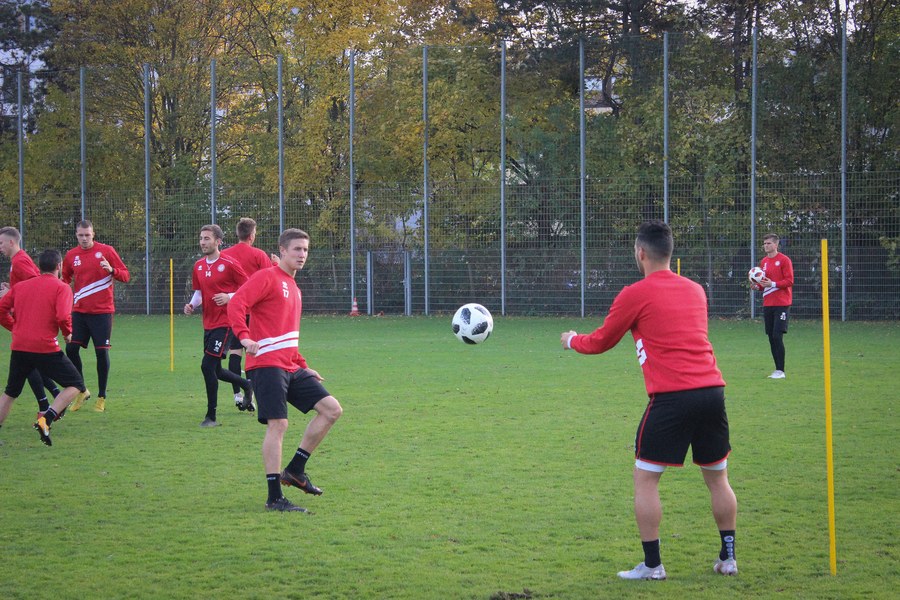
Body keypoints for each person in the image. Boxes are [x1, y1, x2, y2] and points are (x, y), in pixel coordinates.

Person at [560, 220, 738, 580]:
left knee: (645, 480)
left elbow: (602, 341)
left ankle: (653, 566)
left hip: (672, 399)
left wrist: (571, 340)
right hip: (712, 393)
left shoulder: (635, 293)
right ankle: (728, 558)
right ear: (670, 252)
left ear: (640, 253)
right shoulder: (696, 290)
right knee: (718, 479)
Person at [227, 228, 343, 512]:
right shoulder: (266, 277)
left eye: (305, 250)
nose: (302, 255)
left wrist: (303, 366)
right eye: (297, 249)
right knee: (278, 424)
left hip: (289, 365)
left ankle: (295, 470)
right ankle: (274, 497)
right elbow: (237, 303)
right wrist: (244, 337)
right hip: (266, 365)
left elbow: (287, 336)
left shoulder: (295, 288)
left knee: (331, 410)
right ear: (282, 250)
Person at [0, 249, 88, 446]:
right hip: (44, 347)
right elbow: (63, 316)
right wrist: (67, 333)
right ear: (59, 266)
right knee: (76, 384)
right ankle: (46, 419)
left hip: (20, 346)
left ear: (39, 266)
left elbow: (1, 309)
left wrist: (15, 328)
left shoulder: (21, 286)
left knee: (11, 392)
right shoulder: (62, 288)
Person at [184, 224, 254, 427]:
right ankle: (246, 384)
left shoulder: (229, 264)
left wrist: (229, 296)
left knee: (206, 366)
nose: (202, 242)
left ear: (218, 241)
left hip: (225, 323)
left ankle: (211, 417)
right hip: (208, 322)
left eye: (207, 238)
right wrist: (192, 305)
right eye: (201, 238)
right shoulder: (198, 266)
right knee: (216, 370)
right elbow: (199, 293)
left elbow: (249, 287)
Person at [62, 219, 130, 412]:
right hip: (79, 312)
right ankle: (82, 390)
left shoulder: (106, 251)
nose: (84, 238)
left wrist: (112, 270)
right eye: (81, 235)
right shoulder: (71, 255)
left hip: (102, 312)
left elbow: (126, 275)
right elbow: (65, 279)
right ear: (76, 235)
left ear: (93, 234)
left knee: (101, 352)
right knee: (71, 349)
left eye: (87, 235)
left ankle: (101, 397)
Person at [0, 226, 62, 412]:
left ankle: (49, 402)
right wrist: (11, 288)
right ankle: (51, 399)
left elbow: (38, 284)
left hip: (28, 320)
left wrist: (9, 293)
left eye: (1, 243)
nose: (0, 247)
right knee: (29, 363)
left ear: (11, 242)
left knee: (28, 363)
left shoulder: (19, 261)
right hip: (24, 318)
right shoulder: (17, 260)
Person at [220, 217, 278, 411]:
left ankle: (237, 395)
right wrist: (276, 265)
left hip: (234, 311)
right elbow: (271, 279)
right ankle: (252, 395)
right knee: (254, 353)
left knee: (235, 352)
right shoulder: (259, 255)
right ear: (252, 235)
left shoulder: (225, 255)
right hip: (254, 312)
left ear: (238, 234)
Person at [753, 233, 794, 379]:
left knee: (777, 336)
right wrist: (757, 286)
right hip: (768, 304)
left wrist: (773, 284)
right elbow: (764, 283)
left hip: (782, 304)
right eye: (764, 243)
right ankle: (777, 370)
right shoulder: (764, 261)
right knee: (771, 337)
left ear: (776, 245)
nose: (766, 246)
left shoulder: (784, 260)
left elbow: (789, 281)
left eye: (769, 243)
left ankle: (781, 371)